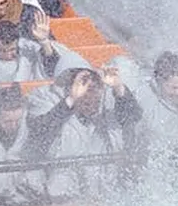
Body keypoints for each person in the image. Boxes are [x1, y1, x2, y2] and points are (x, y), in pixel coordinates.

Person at [24, 64, 143, 197]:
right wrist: (71, 99)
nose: (91, 102)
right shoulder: (46, 99)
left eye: (94, 90)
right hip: (60, 184)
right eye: (84, 87)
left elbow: (133, 116)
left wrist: (118, 87)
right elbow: (41, 132)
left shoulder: (108, 97)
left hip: (105, 183)